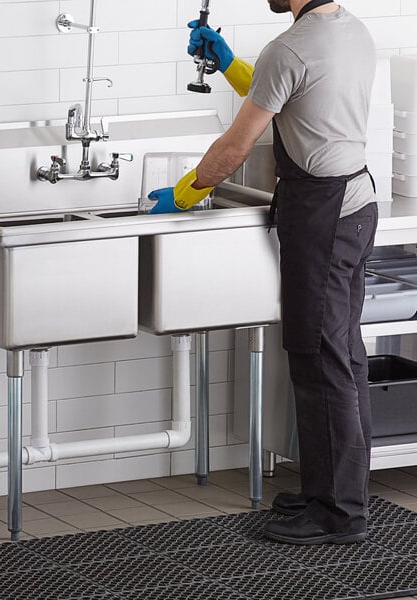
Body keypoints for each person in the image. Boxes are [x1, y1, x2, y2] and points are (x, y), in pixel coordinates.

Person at [149, 0, 378, 545]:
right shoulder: (345, 29)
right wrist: (229, 64)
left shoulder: (290, 47)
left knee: (320, 358)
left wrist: (183, 195)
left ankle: (337, 515)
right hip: (355, 203)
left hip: (323, 214)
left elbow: (233, 149)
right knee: (343, 356)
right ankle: (339, 490)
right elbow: (289, 92)